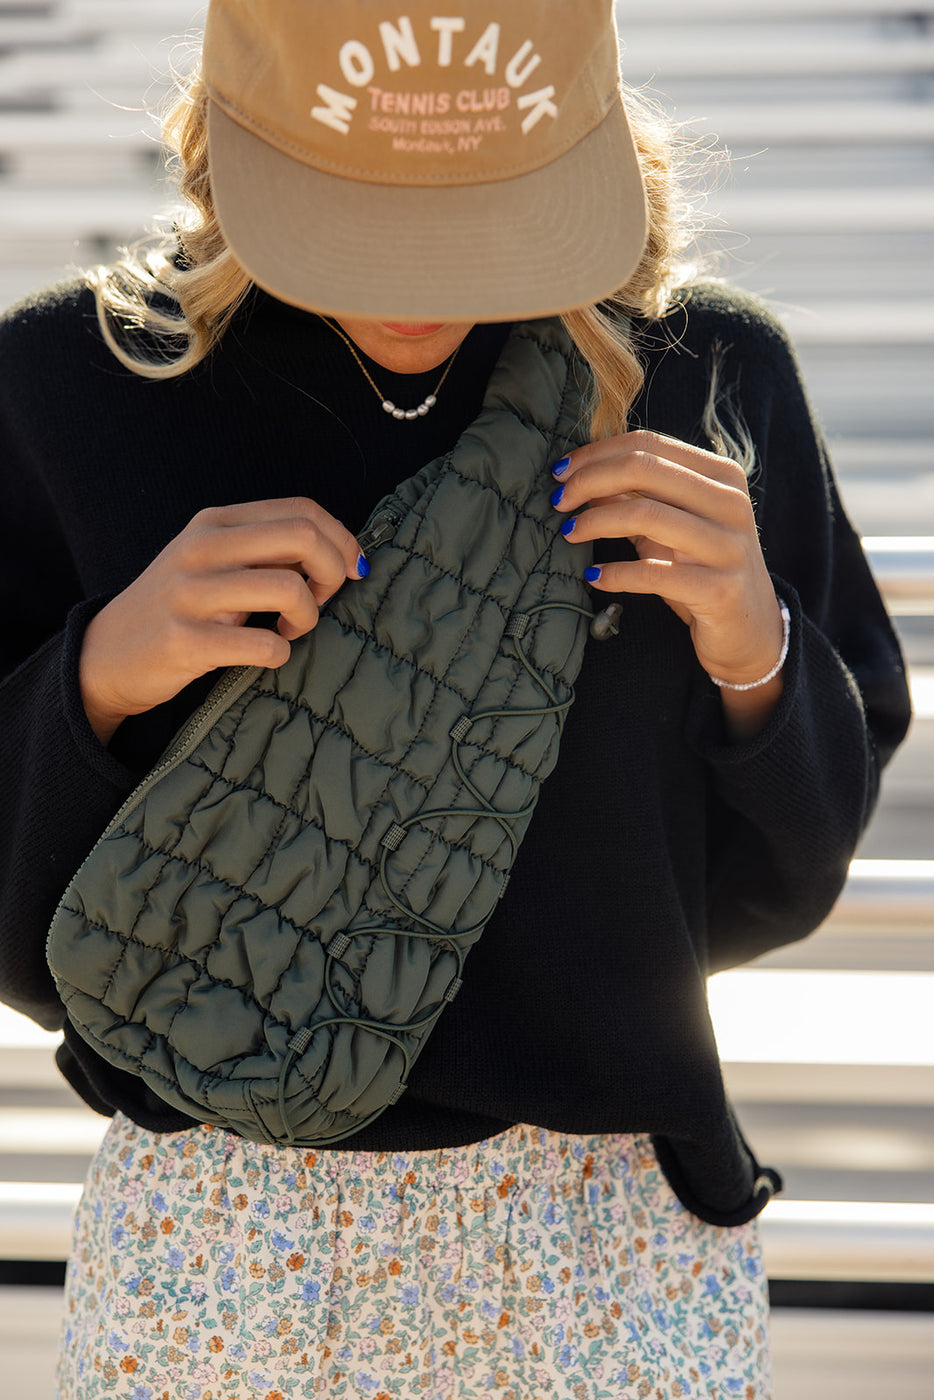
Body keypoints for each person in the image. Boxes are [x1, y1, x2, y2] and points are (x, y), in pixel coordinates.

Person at [0, 2, 911, 1397]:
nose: (417, 282)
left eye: (477, 216)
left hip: (604, 1248)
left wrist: (754, 652)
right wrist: (98, 678)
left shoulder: (701, 380)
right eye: (354, 215)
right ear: (231, 147)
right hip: (223, 1237)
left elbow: (774, 887)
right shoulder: (72, 382)